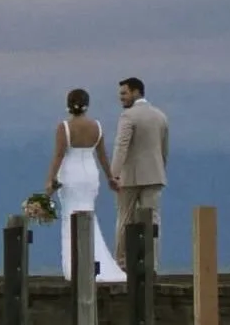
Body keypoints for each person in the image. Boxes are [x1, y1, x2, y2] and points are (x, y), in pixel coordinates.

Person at [45, 89, 126, 283]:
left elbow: (59, 155)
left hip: (71, 174)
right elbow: (102, 155)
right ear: (87, 105)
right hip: (89, 174)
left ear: (68, 105)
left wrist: (50, 179)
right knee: (88, 214)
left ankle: (75, 265)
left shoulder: (64, 127)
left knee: (70, 216)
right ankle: (94, 261)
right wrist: (110, 177)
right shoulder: (96, 127)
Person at [111, 76, 169, 268]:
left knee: (125, 218)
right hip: (155, 175)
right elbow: (164, 149)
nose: (121, 97)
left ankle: (121, 263)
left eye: (124, 93)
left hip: (130, 176)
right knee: (153, 220)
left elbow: (121, 146)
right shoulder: (160, 116)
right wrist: (160, 170)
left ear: (136, 92)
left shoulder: (128, 116)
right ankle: (152, 263)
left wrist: (113, 174)